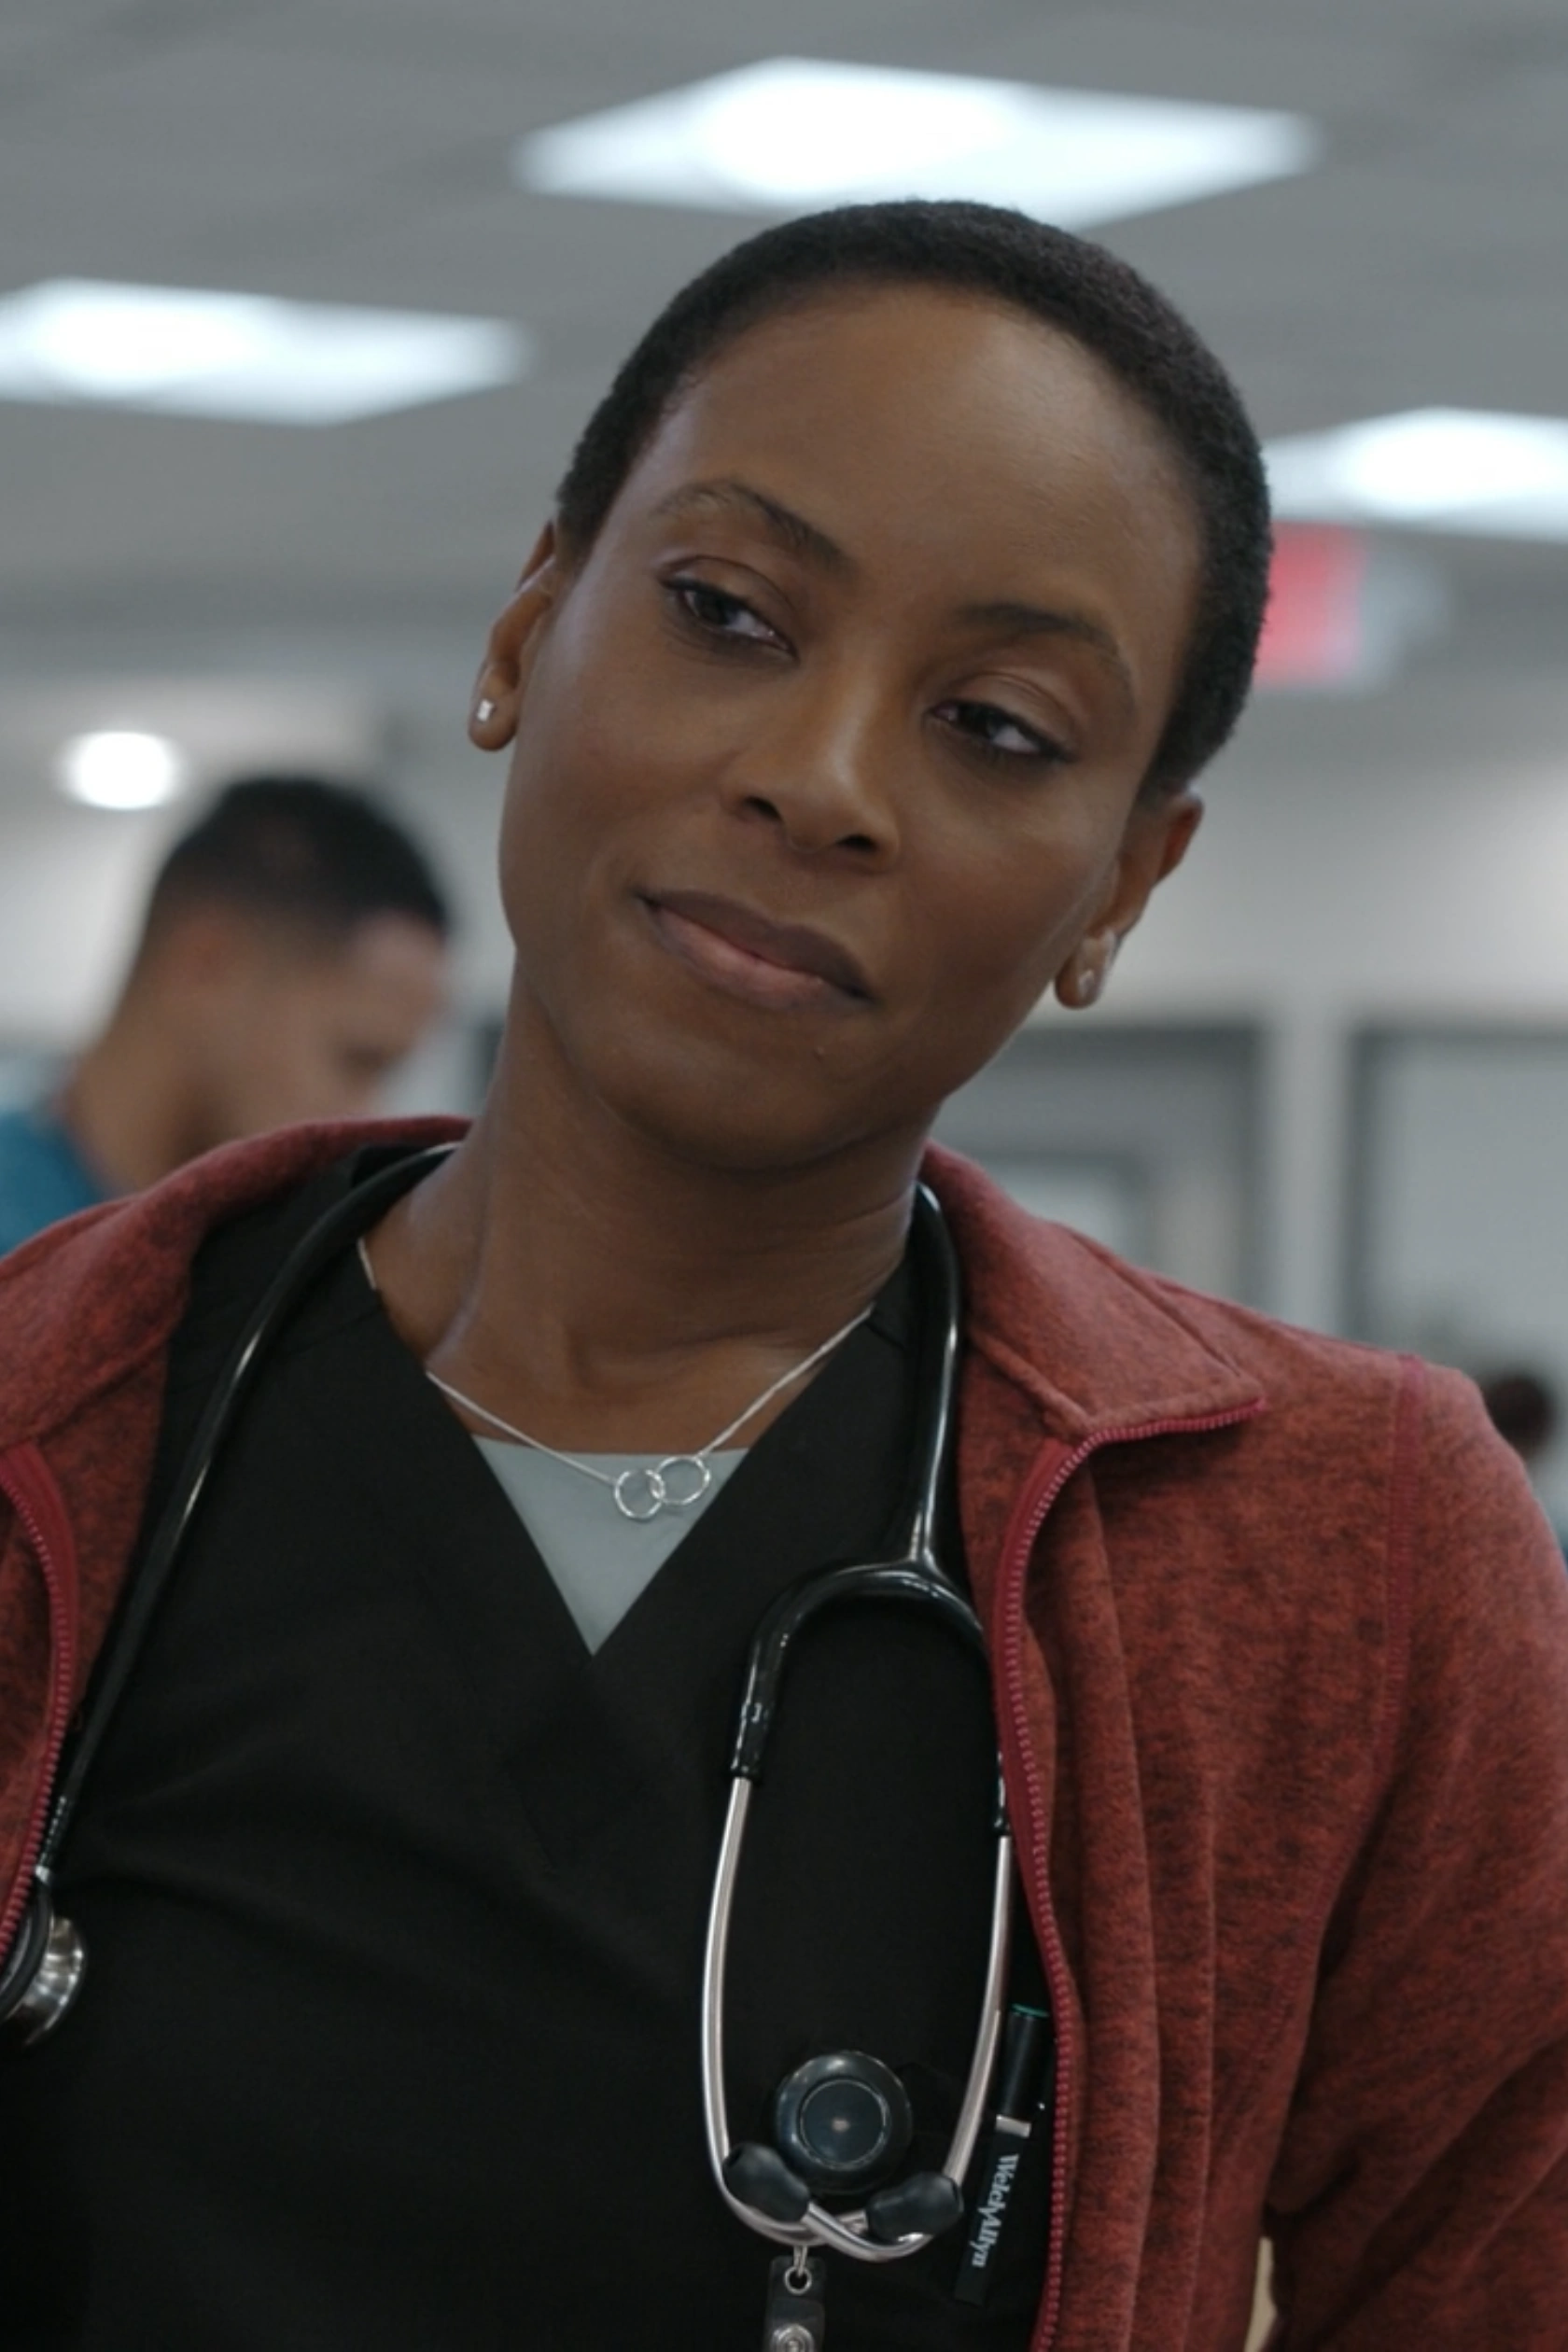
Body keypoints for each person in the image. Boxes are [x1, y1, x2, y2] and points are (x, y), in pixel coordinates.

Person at [1, 202, 1564, 2352]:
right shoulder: (57, 1420)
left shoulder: (1343, 1554)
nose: (821, 781)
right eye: (728, 612)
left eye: (997, 726)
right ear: (528, 626)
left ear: (1123, 883)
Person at [0, 774, 452, 1255]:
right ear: (207, 965)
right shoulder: (20, 1252)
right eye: (356, 1060)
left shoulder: (269, 1267)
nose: (368, 1115)